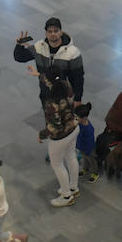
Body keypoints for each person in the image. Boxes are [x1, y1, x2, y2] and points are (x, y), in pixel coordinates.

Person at [13, 17, 86, 103]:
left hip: (65, 98)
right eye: (50, 31)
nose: (53, 34)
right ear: (46, 33)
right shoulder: (39, 47)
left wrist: (77, 99)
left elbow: (78, 79)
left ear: (61, 32)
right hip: (45, 95)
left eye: (56, 31)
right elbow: (20, 57)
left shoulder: (73, 53)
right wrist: (19, 45)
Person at [38, 65, 81, 207]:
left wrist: (41, 135)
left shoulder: (51, 101)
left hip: (61, 137)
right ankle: (74, 188)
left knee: (56, 164)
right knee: (71, 156)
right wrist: (37, 74)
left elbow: (54, 127)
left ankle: (66, 195)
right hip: (74, 127)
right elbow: (50, 79)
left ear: (48, 81)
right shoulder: (66, 85)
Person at [74, 103, 98, 183]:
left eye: (77, 117)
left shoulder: (88, 129)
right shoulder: (80, 123)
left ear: (84, 118)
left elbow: (89, 142)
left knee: (92, 160)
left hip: (89, 149)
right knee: (85, 159)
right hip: (82, 147)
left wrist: (87, 151)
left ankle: (95, 173)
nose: (75, 118)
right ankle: (85, 168)